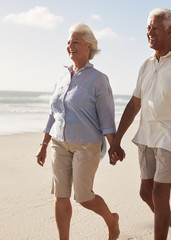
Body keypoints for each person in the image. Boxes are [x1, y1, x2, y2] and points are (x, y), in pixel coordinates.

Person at [109, 8, 171, 240]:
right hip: (147, 137)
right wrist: (117, 140)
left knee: (160, 195)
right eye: (148, 28)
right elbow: (134, 105)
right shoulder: (146, 65)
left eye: (155, 28)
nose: (149, 32)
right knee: (146, 193)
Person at [36, 22, 120, 240]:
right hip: (58, 143)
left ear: (89, 46)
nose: (70, 46)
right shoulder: (62, 78)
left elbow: (107, 117)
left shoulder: (98, 79)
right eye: (68, 42)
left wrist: (114, 145)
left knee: (83, 197)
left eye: (76, 42)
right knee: (61, 196)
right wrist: (44, 144)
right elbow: (53, 113)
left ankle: (111, 220)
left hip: (87, 144)